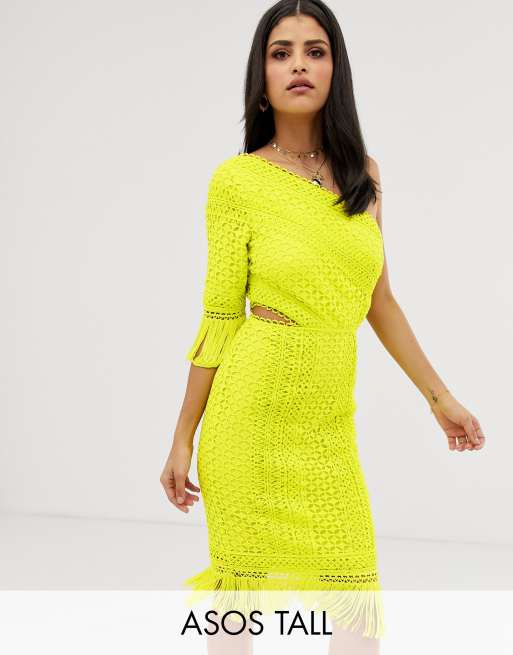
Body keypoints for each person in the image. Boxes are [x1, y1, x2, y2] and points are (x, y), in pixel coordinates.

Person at [161, 1, 486, 653]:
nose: (299, 65)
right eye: (280, 53)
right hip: (248, 417)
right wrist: (181, 439)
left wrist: (439, 397)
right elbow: (219, 318)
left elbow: (379, 300)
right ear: (261, 77)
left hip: (328, 425)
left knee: (355, 603)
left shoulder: (363, 174)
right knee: (239, 604)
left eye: (315, 51)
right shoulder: (237, 182)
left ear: (336, 69)